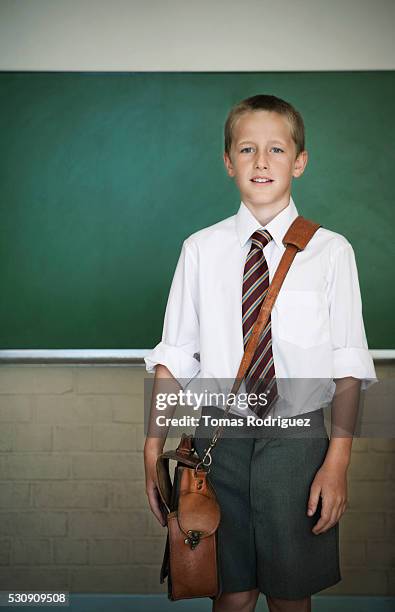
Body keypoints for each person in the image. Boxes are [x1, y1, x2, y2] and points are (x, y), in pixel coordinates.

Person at [143, 94, 377, 612]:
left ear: (300, 161)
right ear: (228, 162)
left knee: (290, 595)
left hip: (298, 439)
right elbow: (176, 355)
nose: (262, 161)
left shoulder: (331, 251)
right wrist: (152, 441)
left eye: (276, 149)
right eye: (247, 149)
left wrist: (337, 462)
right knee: (231, 591)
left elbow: (348, 365)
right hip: (217, 439)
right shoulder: (200, 249)